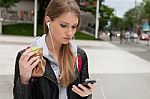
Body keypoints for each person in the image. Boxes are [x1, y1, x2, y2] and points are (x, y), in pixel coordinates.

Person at [13, 0, 95, 99]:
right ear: (48, 21)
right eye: (63, 25)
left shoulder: (79, 55)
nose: (70, 33)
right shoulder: (28, 56)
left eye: (74, 27)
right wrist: (24, 80)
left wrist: (87, 95)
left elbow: (84, 93)